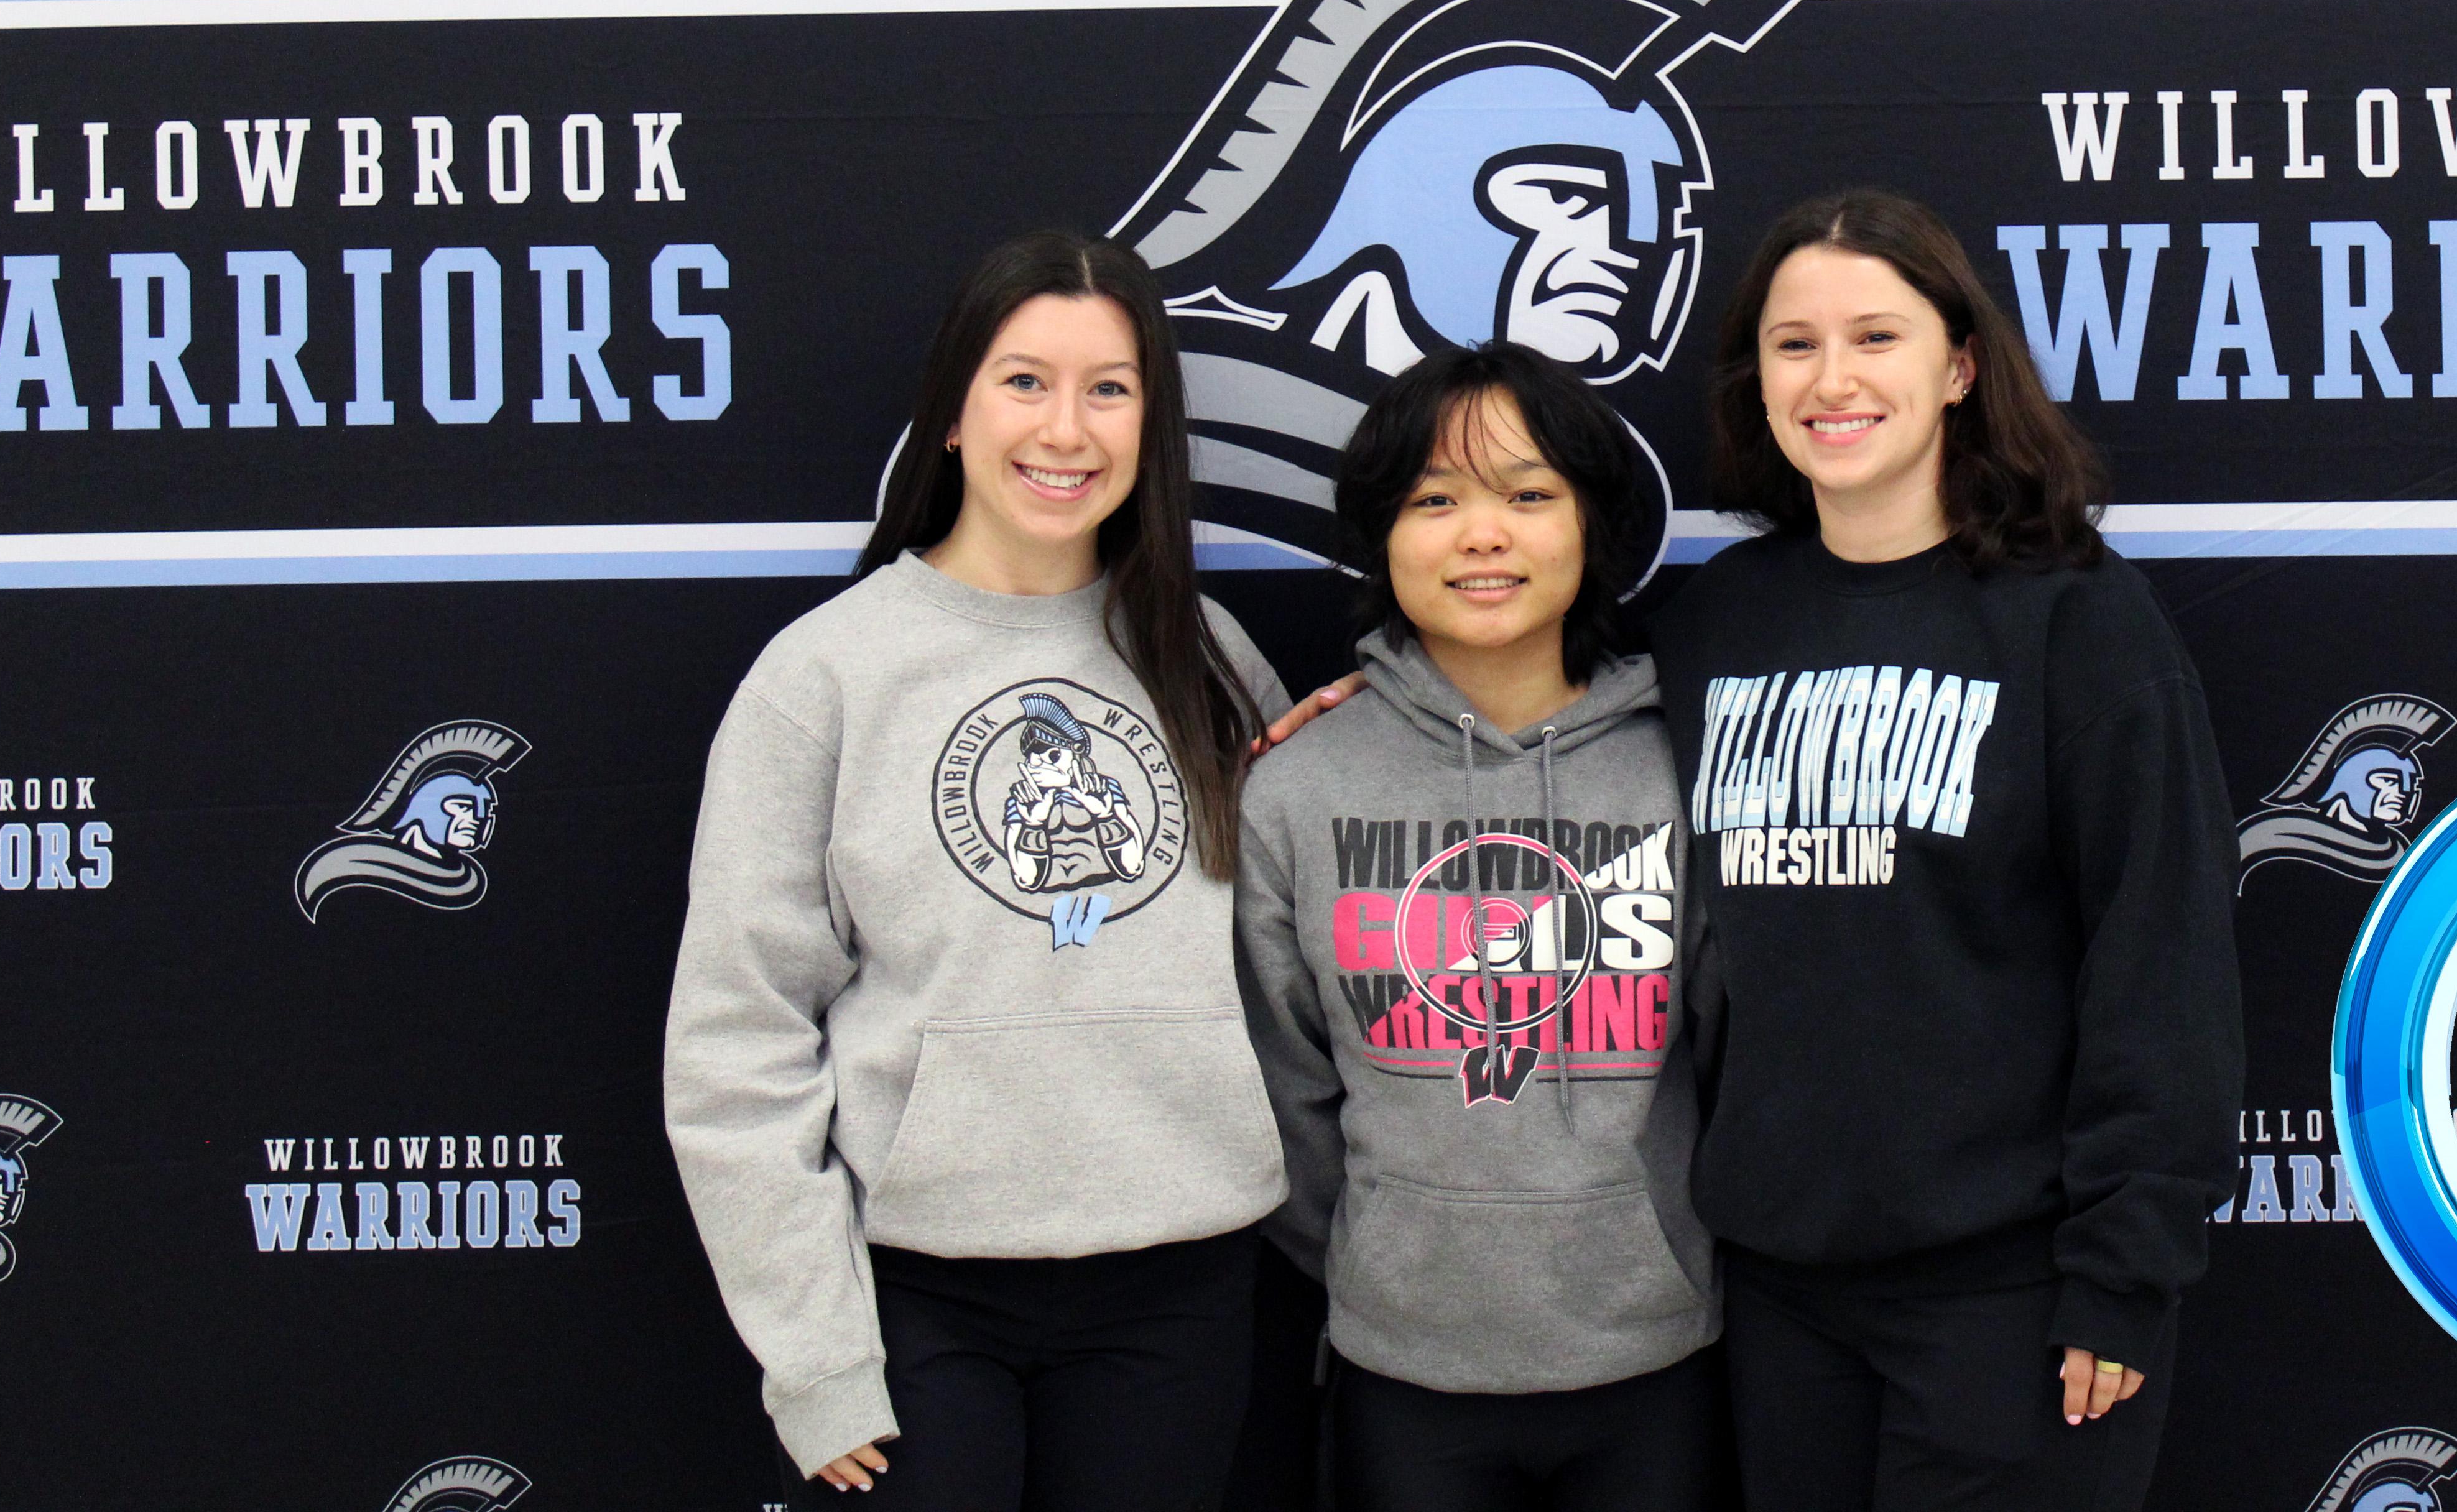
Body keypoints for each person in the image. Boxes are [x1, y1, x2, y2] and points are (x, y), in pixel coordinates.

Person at [665, 231, 1305, 1510]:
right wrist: (815, 1356)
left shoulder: (1212, 657)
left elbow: (1290, 956)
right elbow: (738, 1041)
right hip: (917, 1299)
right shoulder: (826, 676)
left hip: (1178, 1288)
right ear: (952, 413)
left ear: (1150, 424)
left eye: (1109, 389)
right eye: (1023, 380)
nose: (1064, 428)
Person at [1654, 188, 2241, 1511]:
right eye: (1793, 344)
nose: (1832, 377)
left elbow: (2164, 962)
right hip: (1777, 1290)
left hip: (2013, 1294)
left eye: (1875, 336)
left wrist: (2123, 1272)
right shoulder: (1716, 624)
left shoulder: (2077, 620)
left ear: (1959, 366)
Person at [1236, 342, 1724, 1512]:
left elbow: (1736, 1047)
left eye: (1527, 494)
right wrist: (1389, 1249)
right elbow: (1282, 1084)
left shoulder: (1687, 766)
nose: (1483, 534)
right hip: (1403, 1363)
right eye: (1435, 501)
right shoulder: (1300, 787)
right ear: (1381, 537)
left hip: (1658, 1356)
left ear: (1590, 528)